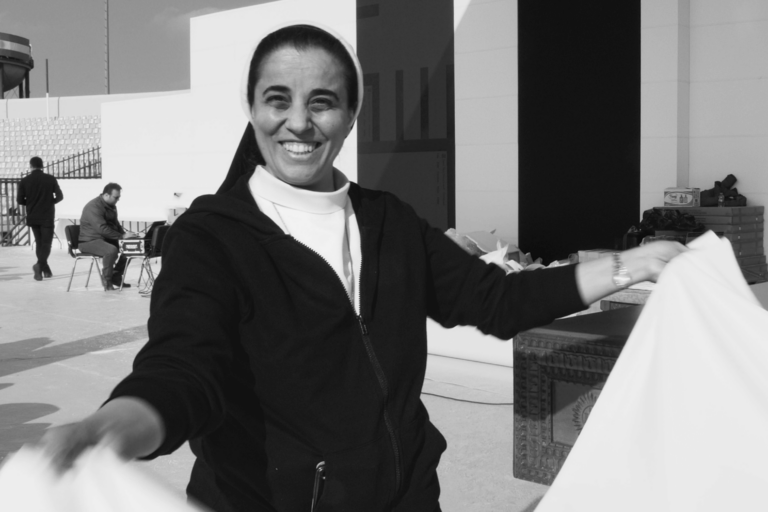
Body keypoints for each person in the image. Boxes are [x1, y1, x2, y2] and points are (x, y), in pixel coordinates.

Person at [40, 24, 686, 512]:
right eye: (277, 98)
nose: (299, 121)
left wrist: (629, 264)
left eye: (322, 101)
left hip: (404, 496)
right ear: (253, 110)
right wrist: (116, 425)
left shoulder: (389, 222)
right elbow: (186, 364)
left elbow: (492, 301)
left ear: (349, 115)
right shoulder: (212, 239)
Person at [78, 183, 137, 290]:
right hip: (88, 241)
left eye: (119, 197)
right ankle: (107, 280)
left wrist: (127, 237)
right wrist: (122, 236)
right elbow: (101, 229)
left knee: (131, 247)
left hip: (105, 239)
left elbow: (116, 225)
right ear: (106, 195)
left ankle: (116, 276)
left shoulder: (111, 206)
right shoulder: (93, 207)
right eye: (116, 197)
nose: (118, 200)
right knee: (111, 250)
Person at [16, 156, 64, 281]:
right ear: (42, 166)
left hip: (33, 215)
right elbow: (60, 196)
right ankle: (40, 265)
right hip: (47, 215)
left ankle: (44, 268)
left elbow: (20, 200)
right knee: (46, 244)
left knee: (39, 242)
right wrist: (49, 202)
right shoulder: (50, 179)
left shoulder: (25, 181)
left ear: (30, 166)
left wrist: (31, 203)